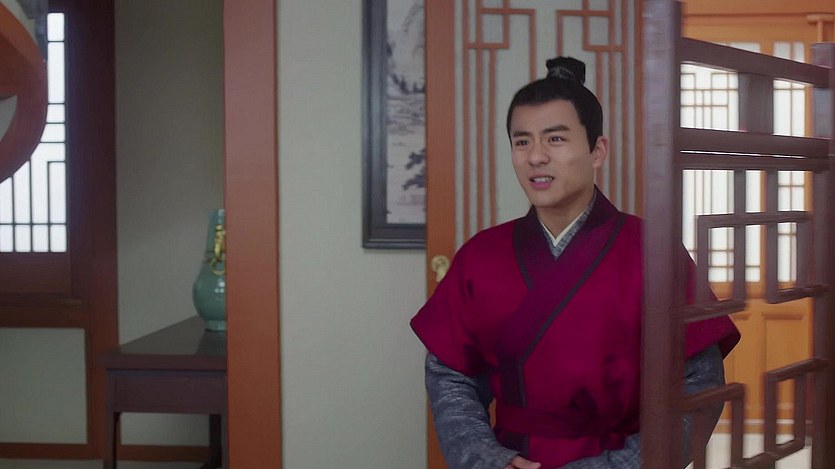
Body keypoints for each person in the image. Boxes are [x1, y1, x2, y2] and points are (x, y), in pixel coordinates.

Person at [410, 57, 740, 469]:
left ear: (597, 150)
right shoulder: (481, 255)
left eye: (555, 139)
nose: (535, 157)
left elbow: (699, 386)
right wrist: (486, 458)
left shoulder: (654, 252)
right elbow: (451, 375)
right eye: (522, 141)